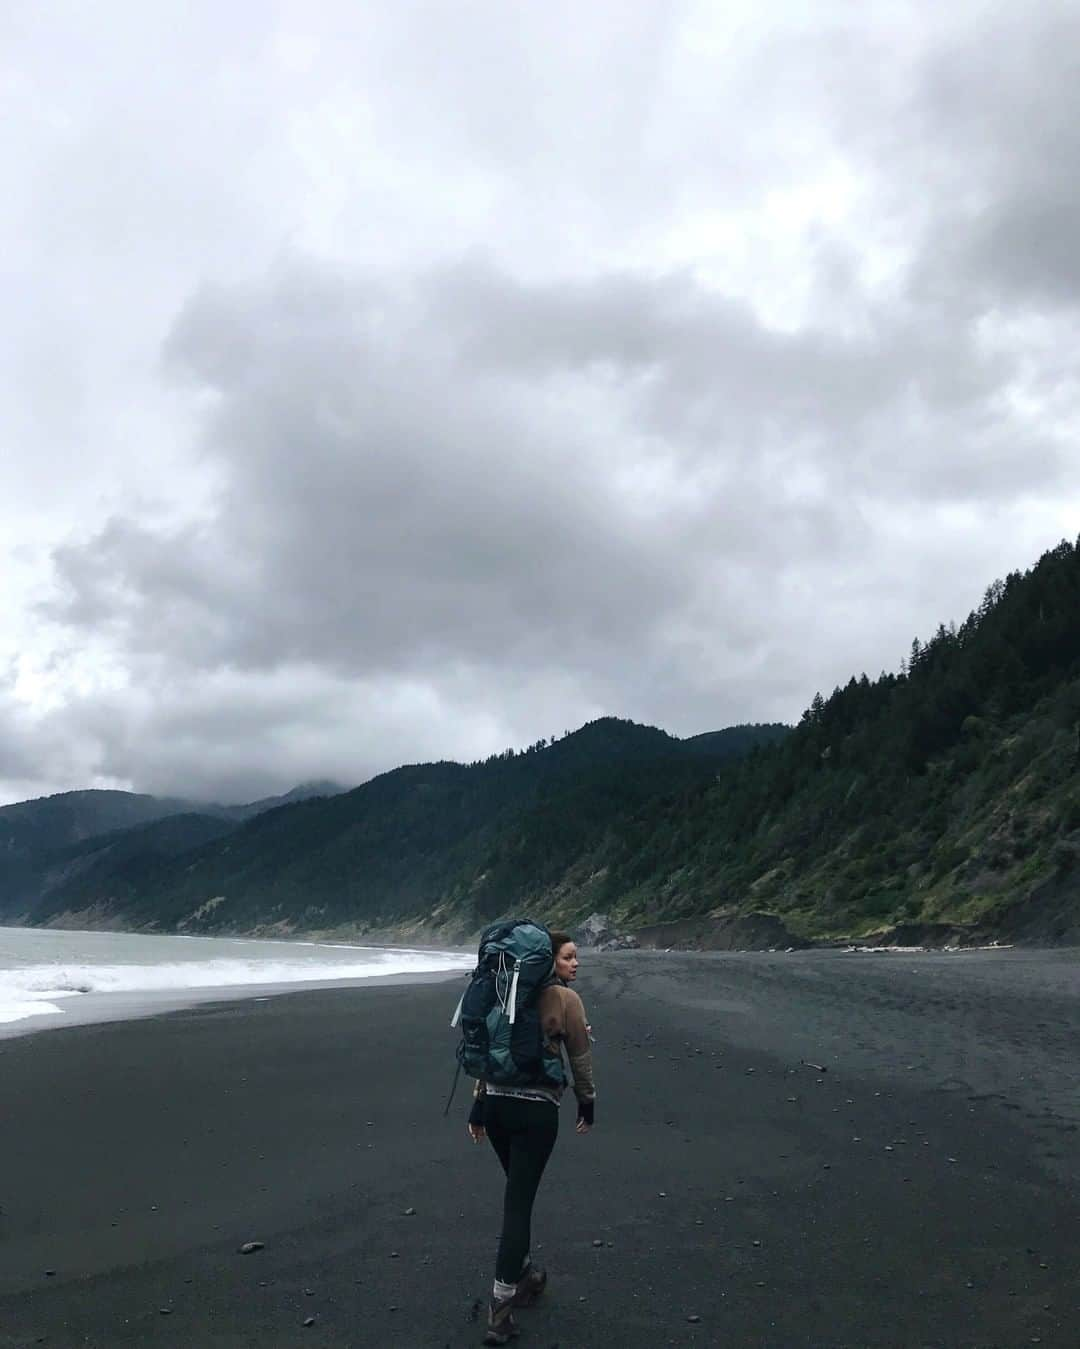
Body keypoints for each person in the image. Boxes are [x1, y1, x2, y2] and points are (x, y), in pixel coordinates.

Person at [467, 930, 596, 1345]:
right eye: (568, 958)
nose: (574, 964)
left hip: (497, 1106)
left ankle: (523, 1274)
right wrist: (586, 1101)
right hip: (536, 1112)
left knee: (516, 1188)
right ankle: (500, 1310)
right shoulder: (565, 1001)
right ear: (548, 961)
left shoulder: (505, 996)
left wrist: (478, 1106)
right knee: (518, 1204)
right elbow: (579, 1055)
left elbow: (490, 1050)